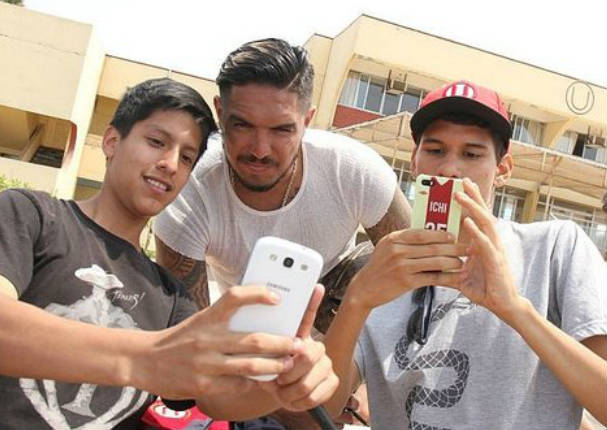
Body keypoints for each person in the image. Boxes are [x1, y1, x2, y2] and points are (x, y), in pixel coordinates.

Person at [0, 78, 337, 429]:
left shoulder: (171, 296)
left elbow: (215, 396)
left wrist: (279, 382)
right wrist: (143, 358)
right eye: (157, 142)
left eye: (187, 157)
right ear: (112, 141)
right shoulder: (32, 217)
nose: (171, 164)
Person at [153, 38, 411, 428]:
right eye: (242, 125)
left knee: (383, 259)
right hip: (251, 330)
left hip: (342, 312)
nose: (260, 149)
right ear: (220, 113)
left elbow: (415, 273)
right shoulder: (189, 197)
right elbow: (198, 361)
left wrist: (368, 390)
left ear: (307, 120)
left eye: (281, 130)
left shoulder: (354, 170)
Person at [323, 80, 607, 429]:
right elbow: (325, 404)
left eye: (472, 154)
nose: (449, 170)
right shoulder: (384, 269)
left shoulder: (553, 247)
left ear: (503, 169)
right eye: (435, 150)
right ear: (414, 161)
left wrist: (515, 309)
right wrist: (356, 300)